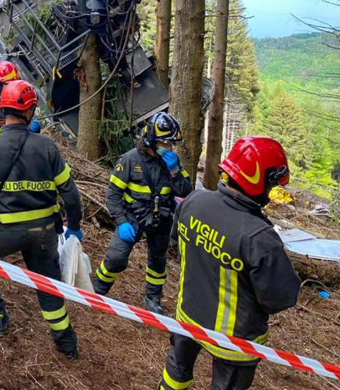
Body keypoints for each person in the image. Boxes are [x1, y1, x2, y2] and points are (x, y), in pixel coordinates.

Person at [157, 137, 300, 390]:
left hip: (188, 316)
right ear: (260, 183)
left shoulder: (194, 201)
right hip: (234, 341)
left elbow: (176, 244)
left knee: (175, 375)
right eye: (271, 186)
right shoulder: (260, 237)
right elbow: (280, 298)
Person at [0, 80, 82, 359]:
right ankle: (66, 344)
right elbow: (70, 193)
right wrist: (74, 226)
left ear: (3, 109)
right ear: (30, 112)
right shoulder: (47, 147)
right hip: (44, 233)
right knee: (49, 286)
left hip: (2, 232)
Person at [93, 112, 193, 314]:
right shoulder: (129, 160)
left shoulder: (172, 163)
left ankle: (153, 298)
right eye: (166, 143)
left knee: (157, 261)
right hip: (132, 217)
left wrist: (174, 171)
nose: (170, 147)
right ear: (152, 141)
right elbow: (113, 195)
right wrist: (121, 221)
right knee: (116, 258)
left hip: (161, 218)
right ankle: (97, 290)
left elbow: (185, 191)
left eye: (172, 143)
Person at [0, 61, 40, 143]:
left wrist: (30, 127)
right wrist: (9, 134)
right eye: (9, 84)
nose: (13, 88)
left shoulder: (17, 100)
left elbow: (21, 126)